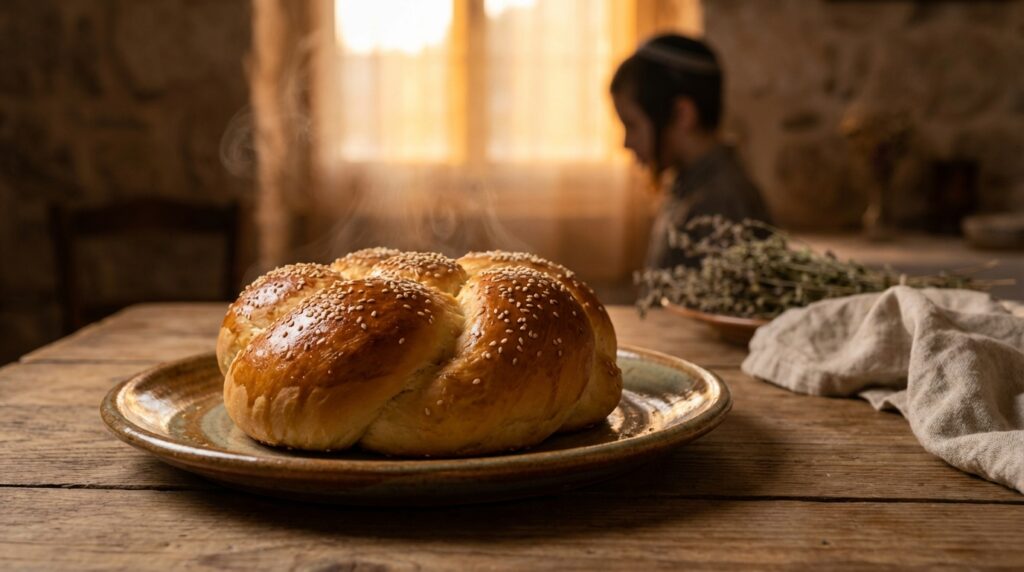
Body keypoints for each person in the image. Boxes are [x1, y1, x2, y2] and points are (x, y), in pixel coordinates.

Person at [611, 33, 772, 269]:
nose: (626, 143)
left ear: (682, 114)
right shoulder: (688, 186)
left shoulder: (721, 203)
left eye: (632, 125)